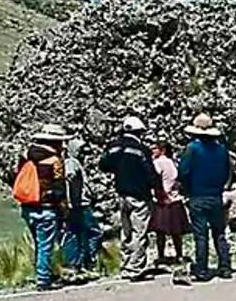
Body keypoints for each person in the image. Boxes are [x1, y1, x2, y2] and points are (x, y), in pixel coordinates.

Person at [99, 116, 160, 282]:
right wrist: (157, 187)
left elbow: (103, 165)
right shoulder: (141, 150)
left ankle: (126, 265)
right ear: (139, 132)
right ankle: (136, 268)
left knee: (125, 232)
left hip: (121, 194)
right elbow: (150, 174)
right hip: (140, 196)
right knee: (139, 232)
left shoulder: (114, 147)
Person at [178, 113, 233, 282]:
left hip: (197, 196)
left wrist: (187, 189)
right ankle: (225, 266)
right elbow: (227, 172)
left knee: (201, 234)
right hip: (215, 195)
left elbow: (183, 172)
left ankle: (201, 269)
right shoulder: (222, 150)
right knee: (219, 232)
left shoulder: (192, 149)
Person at [16, 124, 71, 291]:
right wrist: (64, 209)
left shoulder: (26, 156)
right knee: (45, 245)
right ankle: (43, 279)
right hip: (47, 207)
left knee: (39, 244)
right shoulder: (54, 160)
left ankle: (42, 273)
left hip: (28, 206)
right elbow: (59, 187)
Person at [62, 137, 104, 280]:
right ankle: (88, 262)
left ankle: (75, 264)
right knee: (94, 232)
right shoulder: (71, 163)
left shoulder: (74, 162)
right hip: (80, 205)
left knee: (75, 234)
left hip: (76, 204)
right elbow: (69, 176)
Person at [149, 141, 189, 265]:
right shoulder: (172, 162)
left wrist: (160, 194)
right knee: (176, 231)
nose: (153, 151)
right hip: (175, 199)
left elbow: (155, 180)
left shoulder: (157, 163)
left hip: (163, 199)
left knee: (160, 231)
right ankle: (179, 254)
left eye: (155, 149)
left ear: (162, 150)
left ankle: (161, 255)